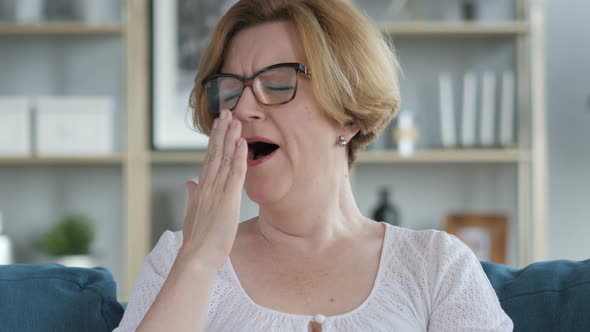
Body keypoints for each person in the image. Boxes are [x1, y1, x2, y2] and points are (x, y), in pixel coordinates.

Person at [114, 0, 513, 331]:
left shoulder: (436, 266)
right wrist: (199, 259)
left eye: (277, 84)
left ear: (347, 114)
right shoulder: (178, 258)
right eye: (231, 89)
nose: (243, 108)